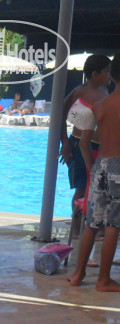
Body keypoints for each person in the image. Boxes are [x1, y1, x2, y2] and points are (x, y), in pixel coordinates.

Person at [67, 53, 120, 292]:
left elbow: (83, 142)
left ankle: (78, 273)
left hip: (100, 166)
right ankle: (103, 279)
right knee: (113, 225)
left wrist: (91, 169)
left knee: (92, 222)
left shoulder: (99, 106)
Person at [59, 54, 112, 235]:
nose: (110, 75)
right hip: (79, 145)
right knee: (82, 188)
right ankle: (75, 230)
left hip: (97, 147)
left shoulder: (105, 90)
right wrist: (65, 142)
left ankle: (93, 225)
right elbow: (60, 114)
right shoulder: (80, 92)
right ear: (95, 74)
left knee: (97, 187)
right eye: (107, 71)